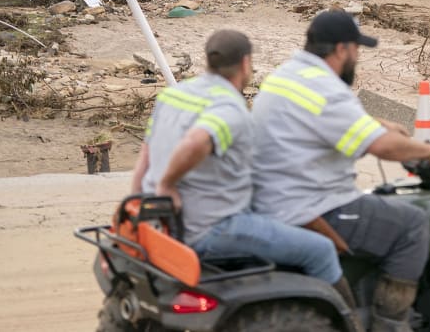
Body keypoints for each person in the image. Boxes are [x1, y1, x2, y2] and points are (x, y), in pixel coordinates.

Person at [251, 10, 430, 332]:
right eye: (357, 50)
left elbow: (324, 120)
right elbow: (383, 148)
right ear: (342, 49)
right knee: (412, 224)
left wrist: (380, 124)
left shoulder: (287, 74)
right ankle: (390, 324)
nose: (357, 58)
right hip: (310, 206)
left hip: (271, 198)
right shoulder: (328, 90)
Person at [129, 29, 350, 301]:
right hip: (213, 229)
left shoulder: (172, 96)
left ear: (208, 60)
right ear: (246, 63)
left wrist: (136, 206)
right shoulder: (230, 109)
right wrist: (167, 184)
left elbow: (144, 159)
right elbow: (196, 142)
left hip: (163, 226)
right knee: (321, 250)